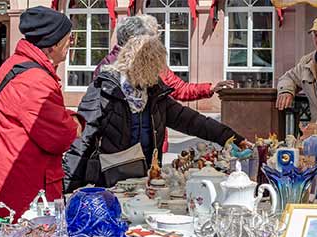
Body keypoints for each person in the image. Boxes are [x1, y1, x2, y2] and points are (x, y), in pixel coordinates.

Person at [63, 34, 248, 193]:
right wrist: (68, 188)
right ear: (141, 66)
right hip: (109, 180)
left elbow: (192, 121)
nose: (159, 72)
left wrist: (232, 138)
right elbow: (81, 141)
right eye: (154, 66)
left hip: (146, 180)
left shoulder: (154, 94)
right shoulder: (105, 90)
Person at [0, 6, 83, 218]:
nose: (71, 45)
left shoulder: (18, 65)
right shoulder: (35, 80)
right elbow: (60, 136)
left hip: (13, 181)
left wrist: (62, 115)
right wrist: (75, 121)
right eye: (69, 39)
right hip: (23, 190)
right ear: (52, 44)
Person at [93, 15, 234, 152]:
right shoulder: (107, 71)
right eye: (152, 41)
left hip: (150, 153)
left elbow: (181, 96)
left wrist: (210, 88)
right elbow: (90, 127)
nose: (157, 47)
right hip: (116, 162)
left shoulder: (153, 69)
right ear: (134, 42)